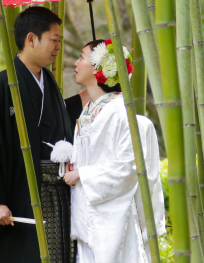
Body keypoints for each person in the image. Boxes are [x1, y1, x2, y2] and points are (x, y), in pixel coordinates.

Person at [0, 6, 86, 262]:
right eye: (54, 40)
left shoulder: (49, 82)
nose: (58, 47)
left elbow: (56, 121)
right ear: (31, 39)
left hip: (55, 197)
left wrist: (97, 90)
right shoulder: (2, 85)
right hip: (18, 196)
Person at [63, 39, 165, 263]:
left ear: (98, 67)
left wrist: (82, 174)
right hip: (86, 213)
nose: (76, 63)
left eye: (81, 57)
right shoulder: (88, 111)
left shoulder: (123, 114)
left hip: (114, 217)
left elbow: (129, 167)